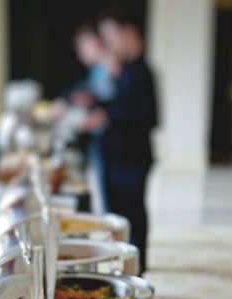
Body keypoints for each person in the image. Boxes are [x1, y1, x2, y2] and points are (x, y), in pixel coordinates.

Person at [83, 8, 158, 275]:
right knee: (116, 214)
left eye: (111, 36)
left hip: (132, 157)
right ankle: (122, 261)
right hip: (114, 154)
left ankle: (136, 266)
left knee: (132, 214)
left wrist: (108, 117)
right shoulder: (123, 69)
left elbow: (148, 117)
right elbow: (116, 103)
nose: (110, 43)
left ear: (128, 32)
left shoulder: (141, 71)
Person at [54, 23, 119, 212]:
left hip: (115, 145)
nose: (81, 53)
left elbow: (113, 102)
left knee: (114, 198)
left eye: (84, 46)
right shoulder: (97, 69)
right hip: (99, 141)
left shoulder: (112, 67)